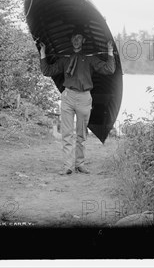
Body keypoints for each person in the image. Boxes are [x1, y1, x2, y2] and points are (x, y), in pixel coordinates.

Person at [39, 29, 115, 175]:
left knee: (81, 134)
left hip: (85, 98)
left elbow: (109, 69)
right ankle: (68, 166)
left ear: (83, 41)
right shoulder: (65, 59)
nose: (76, 40)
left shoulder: (90, 59)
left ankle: (80, 164)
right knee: (66, 133)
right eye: (74, 37)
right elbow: (47, 71)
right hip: (68, 96)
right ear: (71, 40)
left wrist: (110, 51)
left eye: (79, 38)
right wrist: (43, 53)